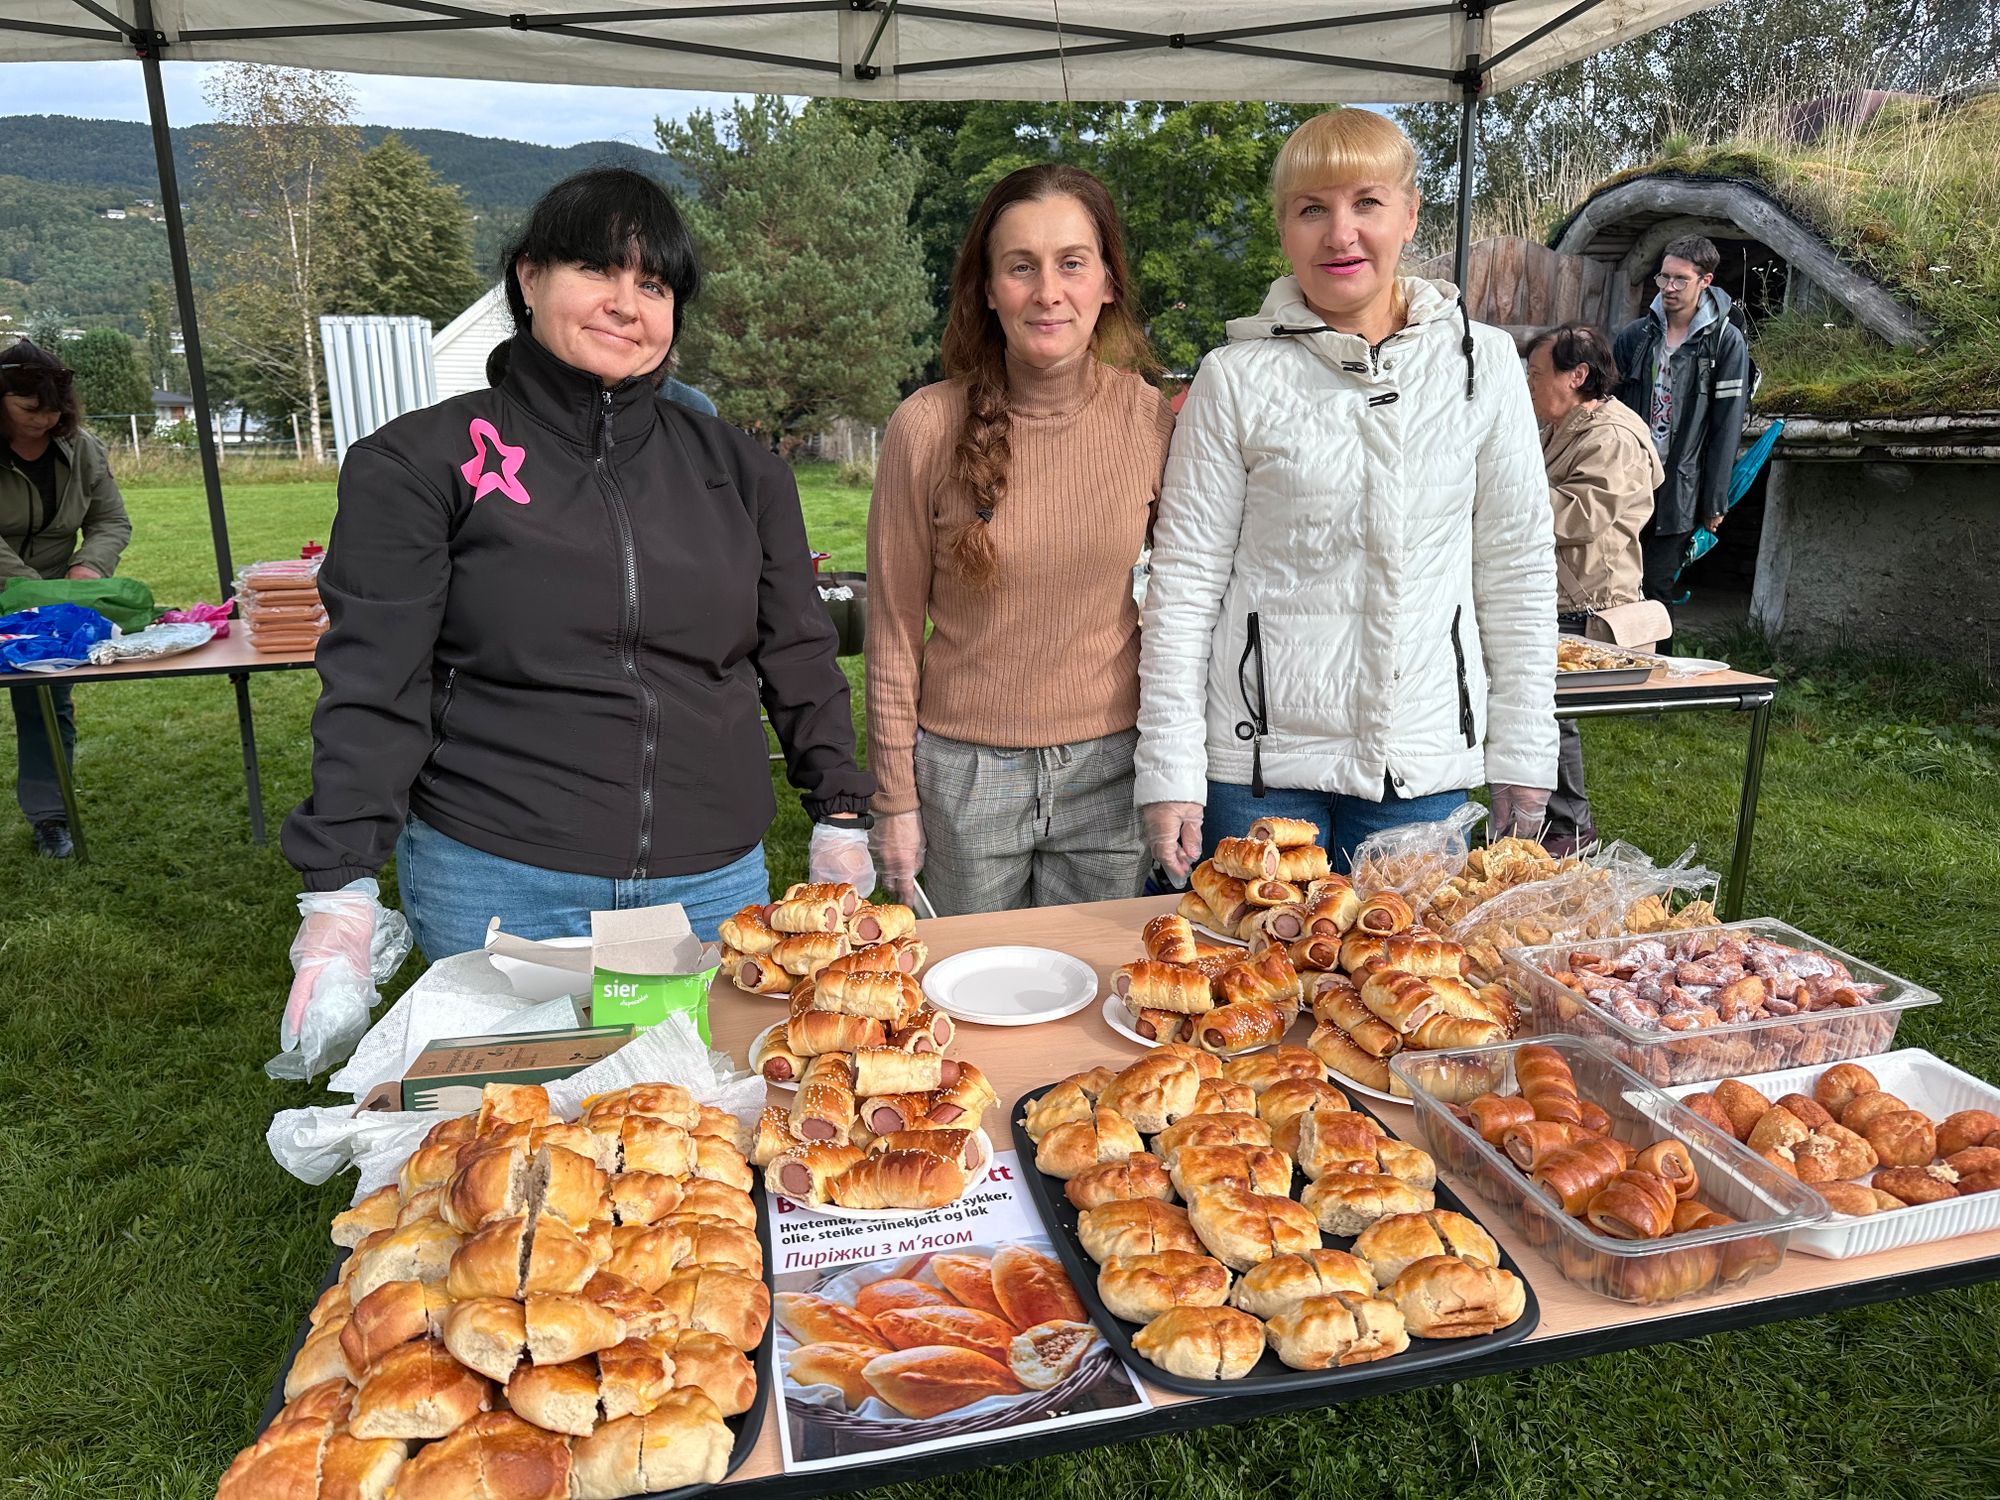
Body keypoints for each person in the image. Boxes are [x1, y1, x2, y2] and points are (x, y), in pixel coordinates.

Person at [280, 166, 875, 977]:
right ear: (529, 278)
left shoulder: (741, 471)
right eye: (597, 269)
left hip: (706, 879)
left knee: (682, 1104)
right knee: (513, 1105)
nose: (626, 303)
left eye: (655, 283)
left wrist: (841, 812)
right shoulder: (419, 461)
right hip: (499, 870)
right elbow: (374, 679)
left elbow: (798, 655)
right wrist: (339, 889)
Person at [1135, 109, 1557, 879]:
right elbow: (1184, 583)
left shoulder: (1485, 365)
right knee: (1254, 990)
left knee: (1403, 986)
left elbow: (1517, 567)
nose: (1340, 234)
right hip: (1256, 771)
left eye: (1366, 202)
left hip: (1420, 766)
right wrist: (1169, 768)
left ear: (1409, 213)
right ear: (1283, 228)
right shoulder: (1233, 378)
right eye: (1311, 210)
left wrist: (1525, 750)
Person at [867, 165, 1175, 914]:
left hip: (1112, 769)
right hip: (962, 778)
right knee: (964, 1004)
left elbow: (1190, 605)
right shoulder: (927, 428)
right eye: (1021, 267)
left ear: (1107, 283)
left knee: (1097, 1002)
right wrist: (894, 801)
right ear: (987, 287)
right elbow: (893, 632)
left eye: (1072, 262)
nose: (1048, 292)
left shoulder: (1153, 422)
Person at [1525, 323, 1663, 855]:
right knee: (1535, 710)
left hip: (1588, 604)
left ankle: (1568, 828)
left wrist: (1503, 496)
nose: (1529, 383)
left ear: (1577, 375)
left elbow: (1583, 516)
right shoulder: (1556, 427)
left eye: (1538, 373)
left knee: (1550, 714)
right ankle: (1537, 821)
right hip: (1551, 593)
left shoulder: (1612, 436)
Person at [0, 340, 133, 859]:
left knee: (47, 704)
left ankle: (50, 818)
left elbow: (109, 520)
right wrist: (31, 586)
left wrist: (88, 567)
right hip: (24, 587)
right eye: (30, 409)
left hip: (55, 593)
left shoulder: (84, 449)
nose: (45, 419)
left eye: (55, 409)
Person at [1611, 235, 1752, 642]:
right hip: (1632, 480)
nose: (1668, 288)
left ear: (1705, 281)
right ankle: (1622, 665)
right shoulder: (1637, 336)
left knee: (1657, 583)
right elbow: (1612, 412)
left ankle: (1662, 674)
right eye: (1663, 277)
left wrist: (1715, 501)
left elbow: (1728, 425)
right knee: (1623, 578)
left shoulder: (1725, 343)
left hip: (1682, 483)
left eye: (1680, 279)